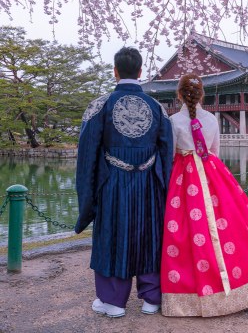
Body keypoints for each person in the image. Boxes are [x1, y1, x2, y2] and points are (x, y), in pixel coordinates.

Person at [75, 47, 173, 317]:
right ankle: (151, 298)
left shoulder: (100, 105)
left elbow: (86, 159)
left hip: (113, 184)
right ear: (141, 72)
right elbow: (167, 154)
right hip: (150, 185)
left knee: (112, 236)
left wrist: (88, 198)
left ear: (115, 71)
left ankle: (113, 301)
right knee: (150, 235)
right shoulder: (158, 108)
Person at [161, 73, 248, 317]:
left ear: (179, 94)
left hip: (183, 176)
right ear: (202, 95)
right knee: (229, 222)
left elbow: (168, 155)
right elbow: (215, 150)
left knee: (186, 228)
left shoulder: (172, 121)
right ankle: (235, 286)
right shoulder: (212, 119)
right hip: (213, 172)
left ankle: (188, 294)